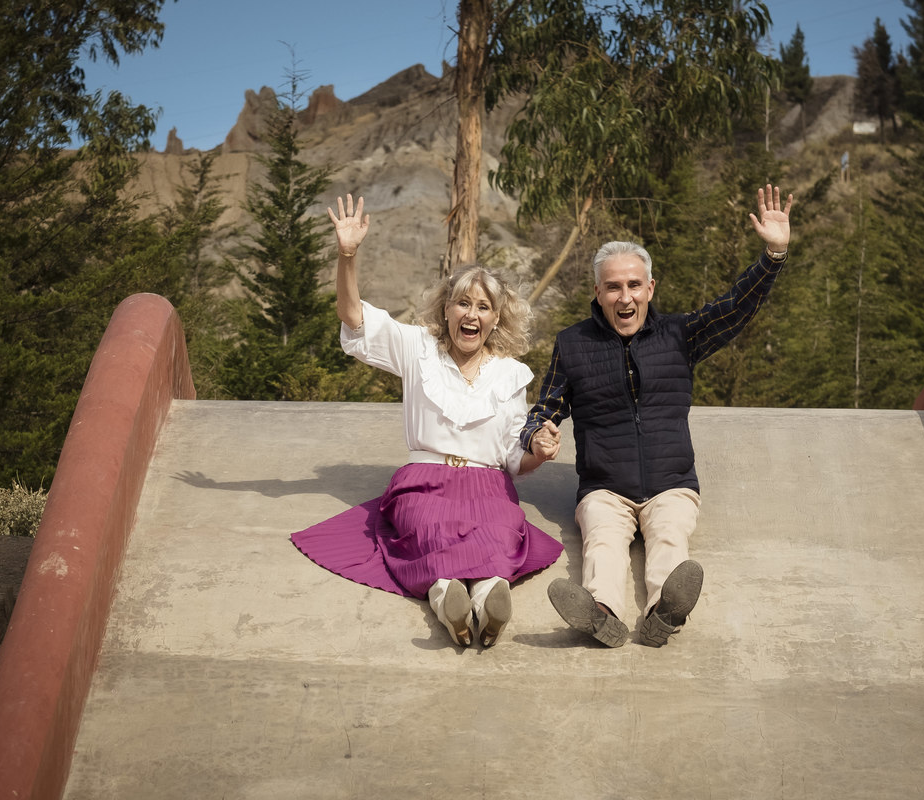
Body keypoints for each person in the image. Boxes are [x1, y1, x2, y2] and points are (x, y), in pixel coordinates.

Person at [520, 184, 794, 648]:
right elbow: (544, 408)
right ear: (598, 292)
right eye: (612, 287)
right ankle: (601, 614)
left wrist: (773, 253)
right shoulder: (573, 344)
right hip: (604, 487)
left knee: (669, 538)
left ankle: (663, 612)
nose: (623, 297)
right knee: (602, 544)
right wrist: (535, 437)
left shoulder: (679, 334)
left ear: (650, 288)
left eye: (633, 285)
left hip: (672, 482)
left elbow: (735, 308)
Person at [291, 194, 565, 648]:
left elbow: (514, 458)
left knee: (498, 531)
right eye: (462, 303)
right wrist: (347, 255)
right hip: (423, 480)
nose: (471, 314)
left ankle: (487, 600)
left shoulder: (511, 375)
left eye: (482, 307)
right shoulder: (418, 349)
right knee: (429, 531)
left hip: (487, 484)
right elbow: (354, 317)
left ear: (496, 319)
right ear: (446, 310)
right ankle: (447, 600)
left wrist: (538, 450)